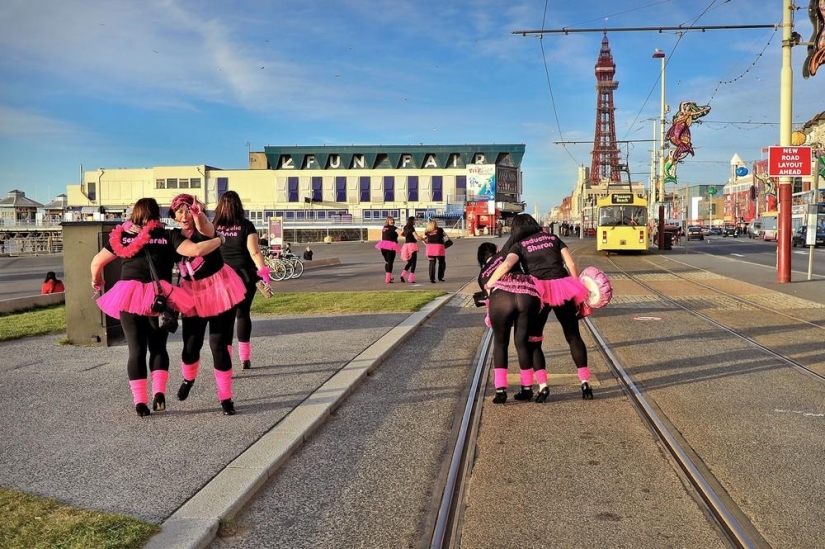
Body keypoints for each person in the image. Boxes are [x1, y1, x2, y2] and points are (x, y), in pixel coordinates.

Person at [90, 197, 221, 416]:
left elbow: (96, 262)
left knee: (136, 350)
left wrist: (97, 281)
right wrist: (219, 241)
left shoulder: (122, 236)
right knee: (158, 347)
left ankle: (140, 402)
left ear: (135, 214)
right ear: (157, 215)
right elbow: (196, 250)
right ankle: (159, 393)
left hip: (129, 296)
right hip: (159, 297)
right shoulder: (168, 235)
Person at [485, 213, 593, 400]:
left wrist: (490, 284)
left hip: (539, 291)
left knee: (534, 339)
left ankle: (542, 386)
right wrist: (576, 286)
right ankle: (585, 383)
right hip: (563, 287)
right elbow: (570, 263)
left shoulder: (519, 245)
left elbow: (506, 265)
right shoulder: (553, 238)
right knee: (573, 335)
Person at [170, 193, 247, 415]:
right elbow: (193, 251)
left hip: (220, 288)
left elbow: (205, 226)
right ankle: (188, 379)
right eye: (180, 211)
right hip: (192, 294)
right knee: (191, 346)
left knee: (218, 344)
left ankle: (226, 398)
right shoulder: (172, 236)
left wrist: (199, 214)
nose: (184, 215)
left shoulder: (206, 229)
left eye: (188, 210)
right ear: (174, 215)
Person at [477, 242, 544, 404]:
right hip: (526, 294)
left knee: (500, 343)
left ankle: (500, 391)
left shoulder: (483, 274)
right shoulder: (509, 256)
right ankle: (527, 388)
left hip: (501, 298)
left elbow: (487, 296)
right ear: (497, 251)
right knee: (522, 343)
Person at [213, 191, 271, 371]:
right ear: (239, 205)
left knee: (226, 318)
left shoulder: (214, 226)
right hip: (245, 275)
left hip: (221, 276)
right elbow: (254, 252)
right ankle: (245, 358)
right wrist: (264, 274)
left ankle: (226, 358)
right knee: (243, 314)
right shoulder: (246, 226)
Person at [374, 215, 400, 283]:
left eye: (393, 220)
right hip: (390, 246)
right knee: (390, 262)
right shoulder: (393, 228)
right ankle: (388, 279)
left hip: (383, 246)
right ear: (388, 221)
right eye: (391, 220)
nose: (392, 221)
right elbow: (401, 231)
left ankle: (389, 277)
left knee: (387, 262)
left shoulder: (384, 228)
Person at [399, 216, 422, 283]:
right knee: (414, 263)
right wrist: (423, 238)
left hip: (406, 245)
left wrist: (407, 236)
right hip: (412, 245)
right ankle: (411, 278)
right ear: (412, 221)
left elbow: (402, 234)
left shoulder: (405, 227)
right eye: (414, 220)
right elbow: (417, 238)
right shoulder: (412, 228)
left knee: (409, 262)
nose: (415, 222)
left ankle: (402, 275)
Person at [424, 219, 447, 283]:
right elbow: (445, 235)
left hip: (430, 248)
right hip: (439, 248)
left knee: (432, 263)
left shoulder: (427, 232)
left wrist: (426, 243)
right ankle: (440, 277)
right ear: (435, 224)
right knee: (442, 262)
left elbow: (422, 238)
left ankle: (432, 279)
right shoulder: (440, 230)